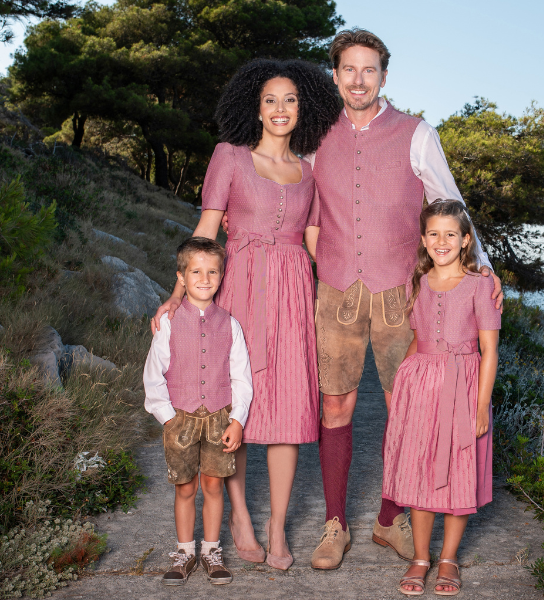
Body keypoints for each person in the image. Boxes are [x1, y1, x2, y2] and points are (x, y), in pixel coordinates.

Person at [304, 28, 504, 570]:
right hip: (337, 290)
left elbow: (450, 203)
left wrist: (483, 268)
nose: (359, 80)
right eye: (349, 69)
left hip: (401, 291)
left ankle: (389, 519)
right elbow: (304, 203)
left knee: (406, 407)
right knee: (335, 405)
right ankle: (335, 524)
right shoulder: (316, 134)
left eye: (369, 70)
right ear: (335, 76)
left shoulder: (417, 134)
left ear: (384, 77)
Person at [152, 59, 341, 570]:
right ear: (255, 109)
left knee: (288, 408)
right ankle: (238, 515)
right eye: (270, 100)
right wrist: (176, 295)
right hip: (240, 286)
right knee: (234, 403)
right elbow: (206, 230)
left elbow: (316, 242)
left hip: (293, 292)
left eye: (290, 100)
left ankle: (277, 527)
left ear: (303, 109)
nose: (280, 109)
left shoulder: (310, 171)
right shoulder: (230, 156)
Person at [383, 200, 500, 596]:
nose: (441, 240)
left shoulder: (481, 285)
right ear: (423, 239)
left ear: (466, 240)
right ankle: (421, 558)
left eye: (451, 233)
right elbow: (418, 341)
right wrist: (402, 387)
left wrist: (481, 406)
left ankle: (448, 558)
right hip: (419, 387)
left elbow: (489, 350)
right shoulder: (416, 282)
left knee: (457, 471)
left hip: (463, 386)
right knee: (418, 469)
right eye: (433, 233)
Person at [144, 237, 254, 586]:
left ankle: (210, 551)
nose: (204, 279)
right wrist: (168, 417)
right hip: (181, 418)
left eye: (212, 272)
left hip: (220, 417)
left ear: (221, 276)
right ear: (181, 277)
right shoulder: (169, 322)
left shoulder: (230, 324)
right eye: (196, 272)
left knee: (213, 485)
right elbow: (153, 374)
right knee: (185, 487)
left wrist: (237, 420)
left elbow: (242, 378)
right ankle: (184, 552)